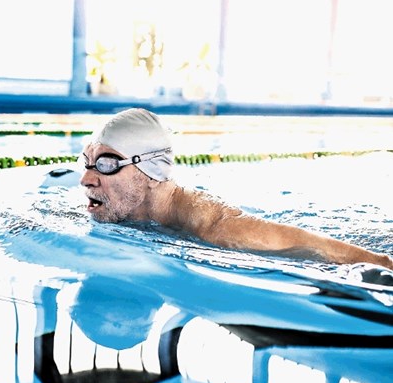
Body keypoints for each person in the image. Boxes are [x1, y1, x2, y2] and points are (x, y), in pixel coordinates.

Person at [79, 107, 393, 271]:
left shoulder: (217, 229)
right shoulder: (126, 209)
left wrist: (381, 265)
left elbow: (324, 250)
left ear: (150, 171)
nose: (86, 179)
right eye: (87, 161)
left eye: (106, 163)